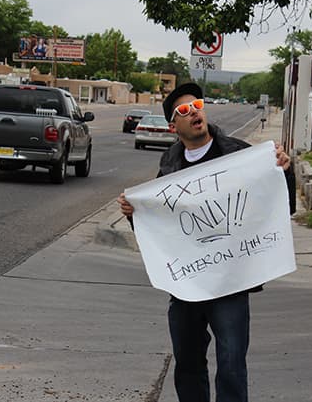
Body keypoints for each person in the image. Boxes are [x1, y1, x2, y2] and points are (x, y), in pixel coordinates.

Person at [118, 82, 296, 402]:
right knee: (187, 363)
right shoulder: (169, 167)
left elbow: (280, 204)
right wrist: (135, 215)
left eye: (197, 105)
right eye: (184, 110)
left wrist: (285, 171)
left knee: (231, 364)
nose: (194, 112)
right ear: (174, 126)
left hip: (230, 283)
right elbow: (161, 230)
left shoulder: (239, 154)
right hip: (187, 286)